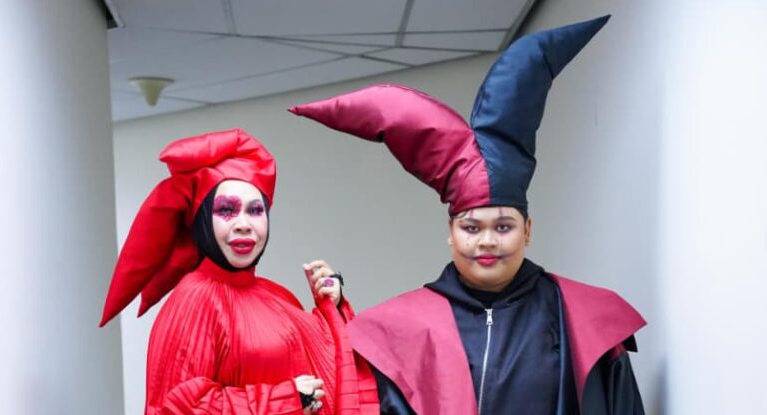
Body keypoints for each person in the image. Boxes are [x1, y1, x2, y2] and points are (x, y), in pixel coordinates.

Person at [290, 16, 645, 415]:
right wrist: (331, 309)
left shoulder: (584, 318)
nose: (487, 241)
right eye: (471, 227)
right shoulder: (403, 326)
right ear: (451, 232)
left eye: (504, 226)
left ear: (528, 230)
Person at [99, 129, 379, 414]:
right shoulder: (194, 299)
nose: (244, 224)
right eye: (226, 210)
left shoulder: (277, 295)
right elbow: (178, 406)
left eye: (255, 210)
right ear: (203, 221)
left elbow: (331, 372)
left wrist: (332, 304)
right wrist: (284, 401)